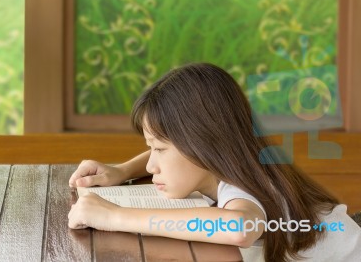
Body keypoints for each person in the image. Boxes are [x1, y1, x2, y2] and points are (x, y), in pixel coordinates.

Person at [68, 63, 361, 261]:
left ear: (203, 144)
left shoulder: (243, 186)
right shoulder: (237, 158)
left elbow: (239, 229)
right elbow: (175, 151)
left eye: (159, 149)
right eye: (152, 148)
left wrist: (114, 217)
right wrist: (122, 170)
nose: (150, 166)